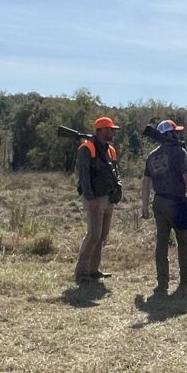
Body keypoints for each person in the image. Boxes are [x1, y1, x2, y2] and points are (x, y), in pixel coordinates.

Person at [141, 120, 187, 295]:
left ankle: (162, 281)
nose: (178, 135)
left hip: (159, 201)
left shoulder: (152, 156)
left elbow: (146, 182)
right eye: (175, 132)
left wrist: (144, 206)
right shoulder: (179, 151)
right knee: (183, 241)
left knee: (162, 242)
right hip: (177, 201)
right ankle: (185, 279)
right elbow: (186, 176)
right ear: (170, 134)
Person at [73, 116, 122, 284]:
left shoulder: (110, 150)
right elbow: (83, 176)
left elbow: (115, 172)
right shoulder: (86, 148)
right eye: (109, 129)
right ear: (100, 130)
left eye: (112, 130)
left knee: (102, 236)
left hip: (108, 197)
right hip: (94, 198)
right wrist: (90, 197)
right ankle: (81, 273)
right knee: (93, 235)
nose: (112, 132)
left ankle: (94, 271)